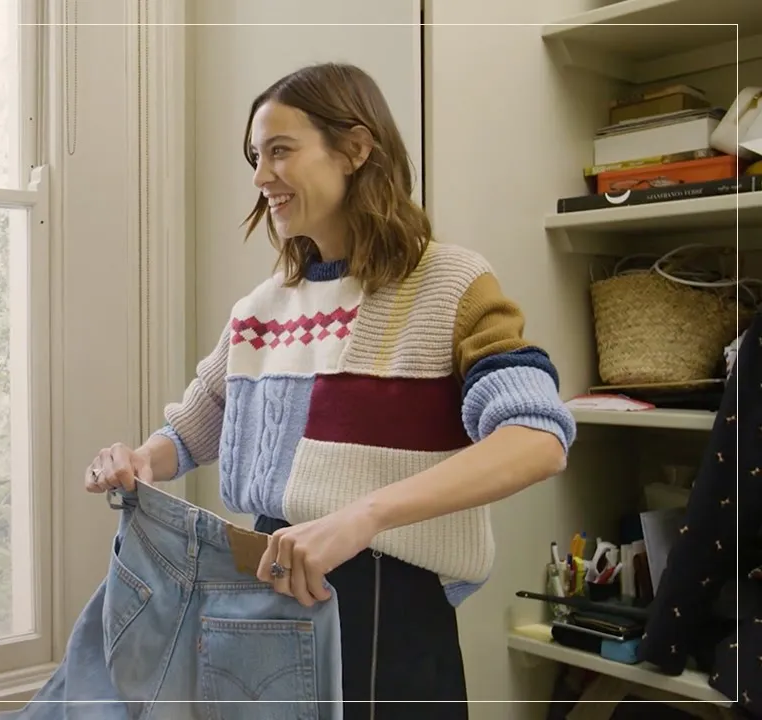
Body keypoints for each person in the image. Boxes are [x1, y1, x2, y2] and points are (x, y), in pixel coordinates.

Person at [84, 62, 575, 719]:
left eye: (280, 150)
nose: (261, 177)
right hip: (269, 588)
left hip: (389, 611)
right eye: (256, 157)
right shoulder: (261, 309)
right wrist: (140, 460)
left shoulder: (450, 283)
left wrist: (364, 516)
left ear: (355, 148)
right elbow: (195, 428)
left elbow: (537, 440)